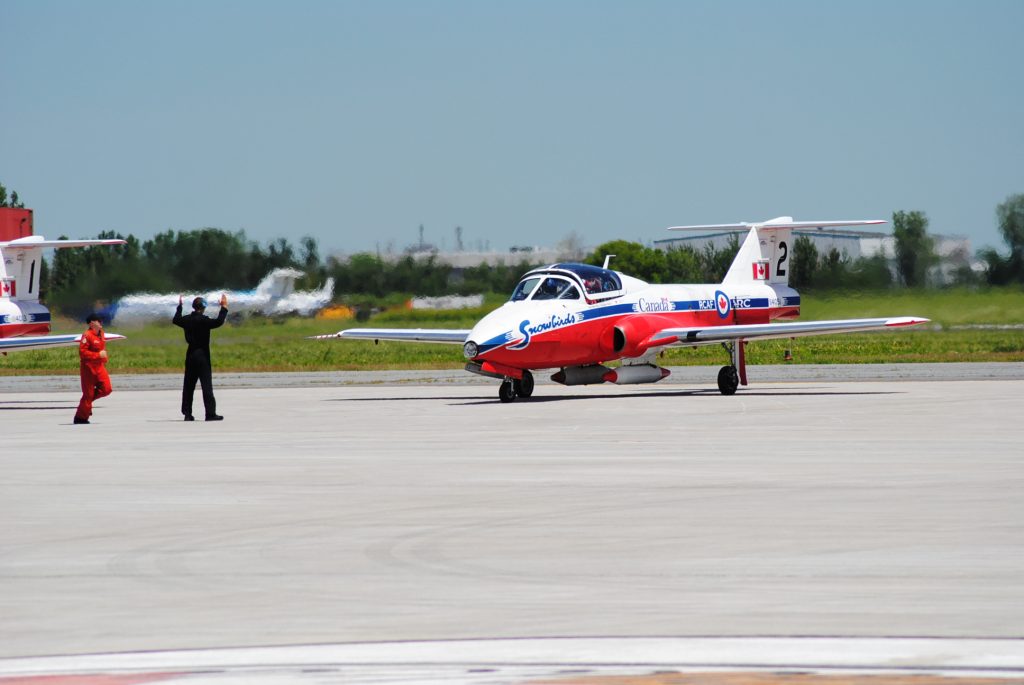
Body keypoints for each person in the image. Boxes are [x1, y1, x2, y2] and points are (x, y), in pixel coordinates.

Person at [173, 293, 228, 421]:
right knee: (206, 385)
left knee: (188, 385)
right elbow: (219, 321)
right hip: (202, 355)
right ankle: (210, 413)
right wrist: (224, 307)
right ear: (203, 307)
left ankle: (187, 413)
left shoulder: (186, 320)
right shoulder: (204, 320)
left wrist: (179, 307)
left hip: (190, 354)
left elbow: (176, 320)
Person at [73, 314, 112, 424]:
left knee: (107, 389)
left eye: (100, 320)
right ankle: (80, 418)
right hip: (88, 369)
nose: (100, 322)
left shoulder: (101, 334)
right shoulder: (87, 335)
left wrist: (103, 358)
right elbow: (83, 353)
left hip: (99, 367)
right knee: (88, 395)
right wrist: (98, 355)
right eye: (97, 321)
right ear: (91, 324)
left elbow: (102, 349)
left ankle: (86, 404)